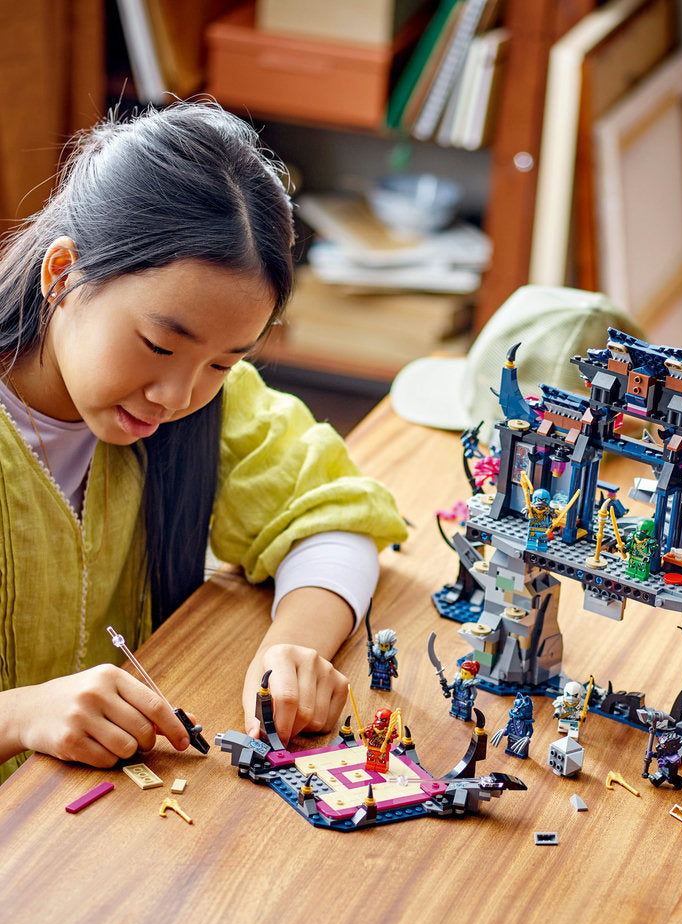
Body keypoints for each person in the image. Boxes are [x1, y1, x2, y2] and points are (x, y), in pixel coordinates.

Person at [0, 100, 407, 783]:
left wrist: (292, 649)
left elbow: (331, 516)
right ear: (63, 274)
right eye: (160, 344)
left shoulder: (206, 404)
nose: (178, 396)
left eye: (223, 362)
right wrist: (18, 716)